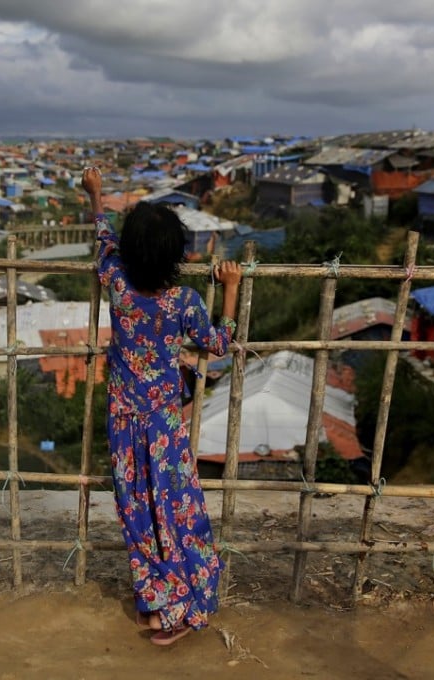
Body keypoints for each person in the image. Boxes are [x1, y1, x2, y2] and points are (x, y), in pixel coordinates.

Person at [82, 166, 243, 646]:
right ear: (176, 256)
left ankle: (160, 603)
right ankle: (174, 609)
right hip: (165, 428)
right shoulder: (184, 303)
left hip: (124, 425)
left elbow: (103, 241)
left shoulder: (117, 285)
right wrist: (231, 288)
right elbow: (218, 343)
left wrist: (97, 196)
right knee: (175, 511)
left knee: (138, 512)